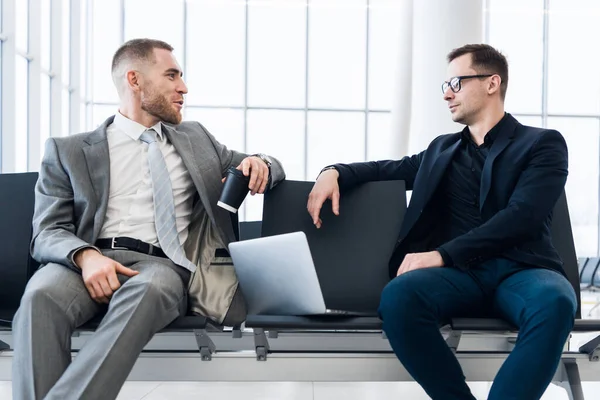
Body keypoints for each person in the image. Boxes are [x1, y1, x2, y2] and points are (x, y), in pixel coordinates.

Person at [12, 38, 285, 400]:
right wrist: (86, 256)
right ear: (135, 80)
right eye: (171, 75)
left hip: (162, 266)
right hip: (84, 262)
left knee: (146, 290)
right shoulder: (69, 150)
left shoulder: (196, 139)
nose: (183, 87)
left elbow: (270, 166)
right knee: (39, 298)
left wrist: (260, 162)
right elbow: (47, 231)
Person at [307, 43, 576, 400]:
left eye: (456, 82)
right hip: (460, 277)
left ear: (492, 83)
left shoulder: (542, 144)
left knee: (556, 301)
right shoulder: (441, 150)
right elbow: (387, 170)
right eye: (444, 86)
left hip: (521, 270)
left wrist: (442, 254)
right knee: (399, 298)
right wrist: (333, 171)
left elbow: (522, 216)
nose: (447, 94)